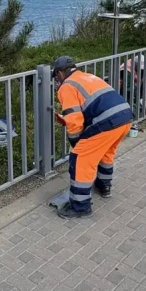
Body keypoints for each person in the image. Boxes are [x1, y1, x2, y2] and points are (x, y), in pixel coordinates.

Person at [52, 56, 133, 219]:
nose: (56, 80)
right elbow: (93, 105)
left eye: (56, 76)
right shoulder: (87, 76)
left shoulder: (66, 86)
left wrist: (76, 144)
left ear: (60, 73)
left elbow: (74, 120)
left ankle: (80, 206)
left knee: (80, 159)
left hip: (107, 122)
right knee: (106, 153)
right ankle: (104, 187)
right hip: (125, 117)